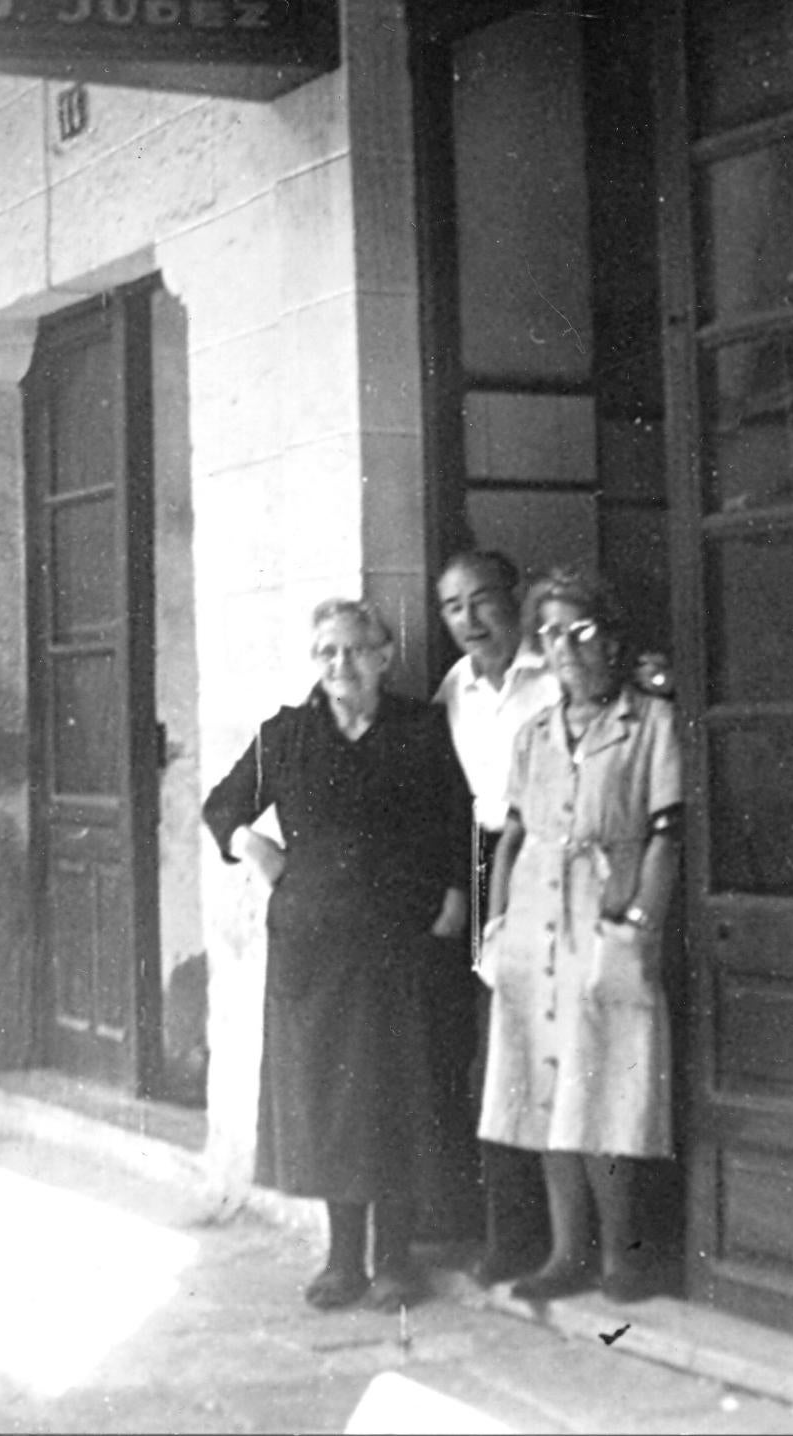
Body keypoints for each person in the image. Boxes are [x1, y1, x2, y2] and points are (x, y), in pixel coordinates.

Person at [201, 597, 474, 1313]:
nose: (340, 665)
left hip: (402, 939)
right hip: (315, 946)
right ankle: (342, 1258)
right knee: (329, 1097)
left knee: (400, 1091)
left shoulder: (420, 728)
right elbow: (221, 807)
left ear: (384, 656)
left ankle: (395, 1260)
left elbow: (458, 820)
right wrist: (256, 849)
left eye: (355, 650)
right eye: (326, 652)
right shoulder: (286, 735)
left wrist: (454, 896)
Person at [478, 564, 682, 1304]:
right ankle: (567, 1253)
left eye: (582, 631)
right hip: (535, 924)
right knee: (543, 1091)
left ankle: (622, 1255)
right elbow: (512, 837)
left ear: (614, 640)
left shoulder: (649, 722)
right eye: (551, 634)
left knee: (610, 1088)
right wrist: (496, 929)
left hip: (605, 920)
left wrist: (637, 926)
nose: (566, 648)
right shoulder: (534, 734)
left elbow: (666, 834)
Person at [434, 549, 559, 1285]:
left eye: (483, 601)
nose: (470, 620)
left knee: (544, 1054)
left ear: (514, 598)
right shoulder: (455, 688)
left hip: (544, 859)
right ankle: (508, 1234)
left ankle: (555, 1239)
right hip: (481, 869)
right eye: (453, 607)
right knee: (494, 1059)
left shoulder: (552, 674)